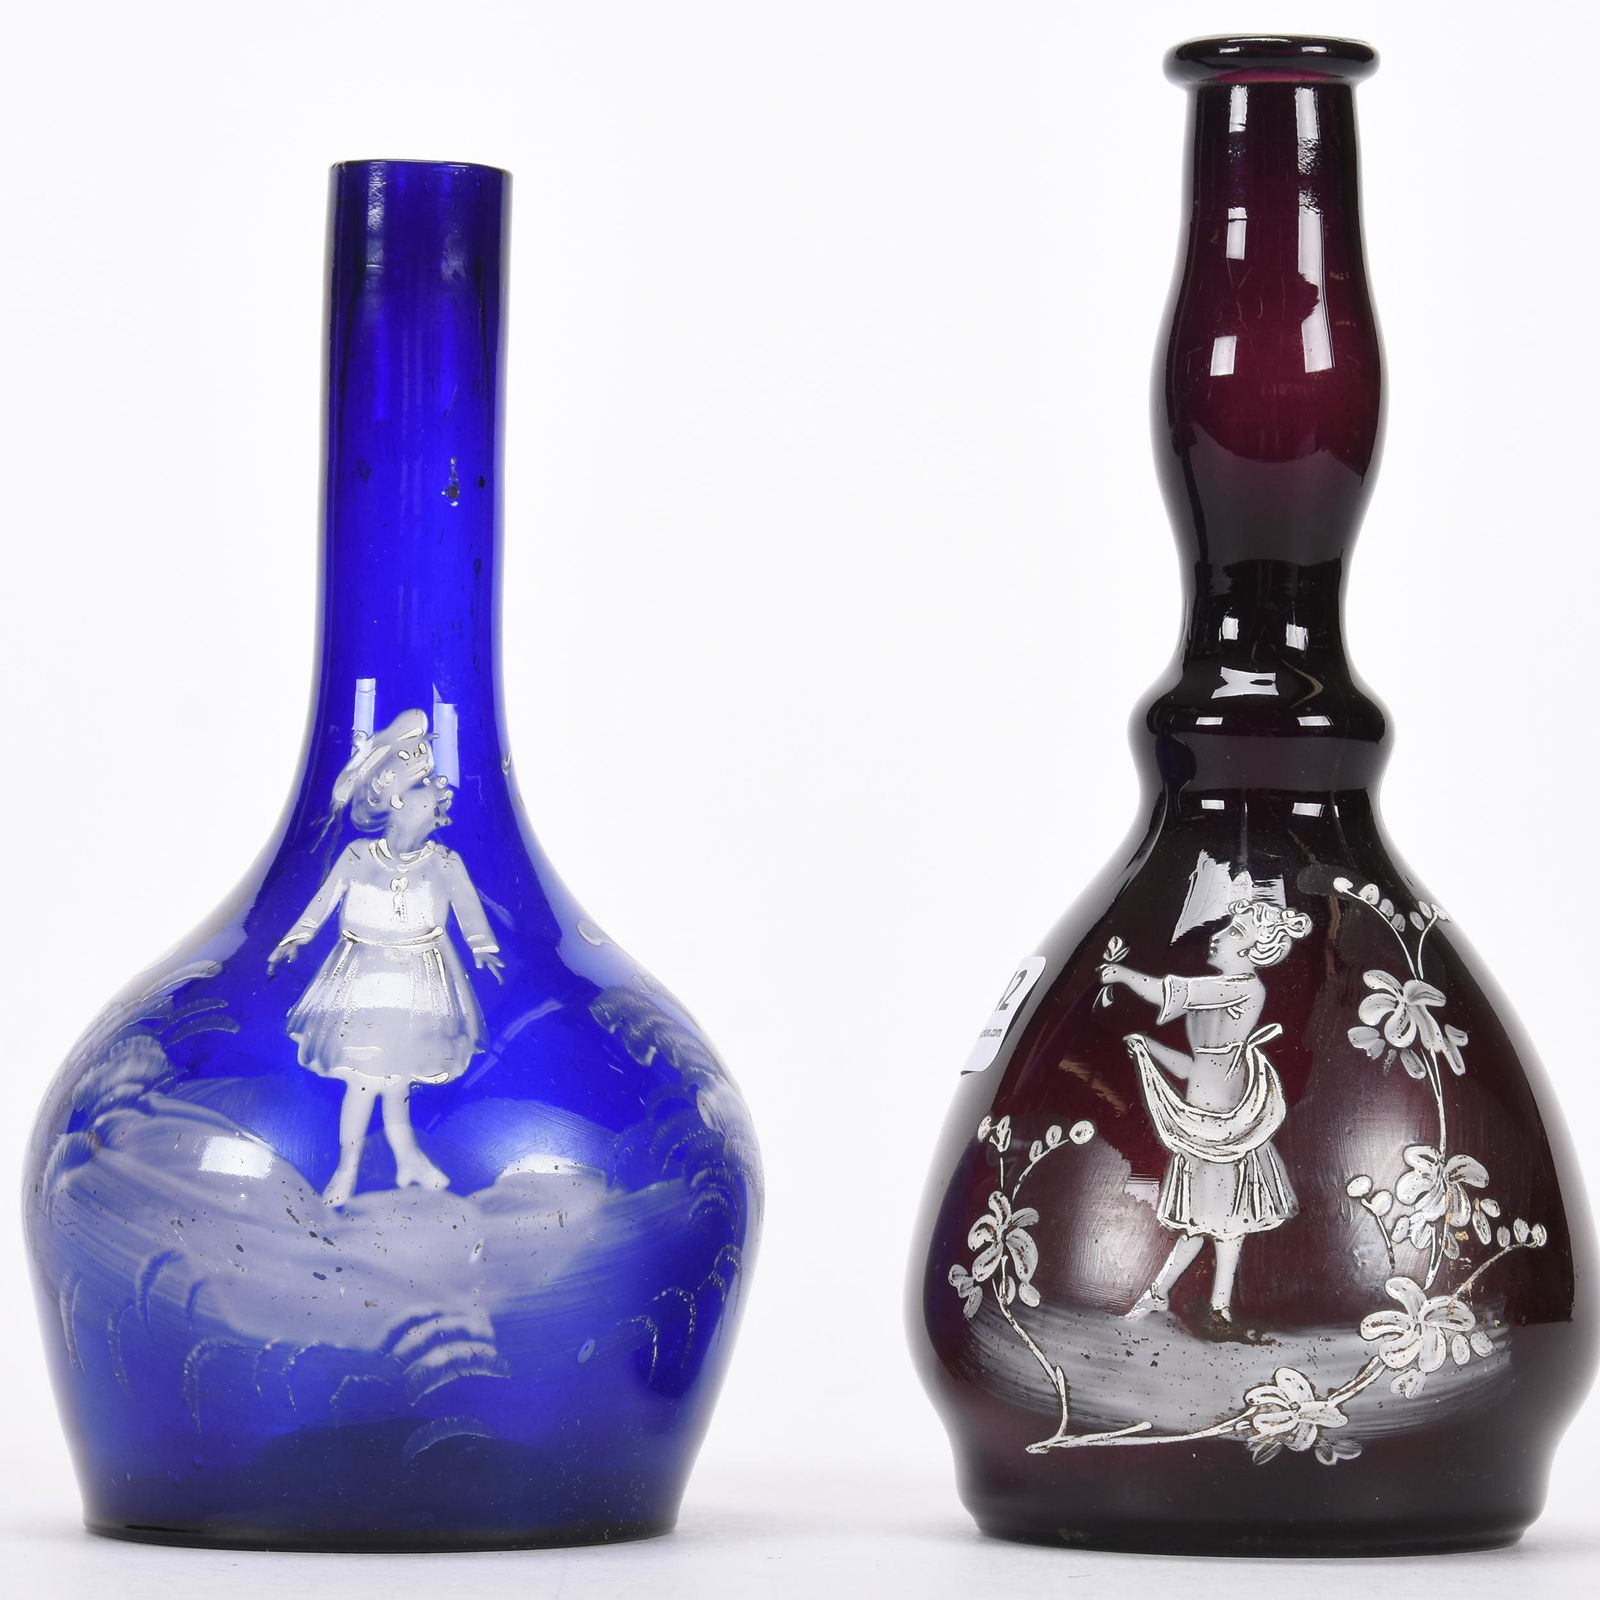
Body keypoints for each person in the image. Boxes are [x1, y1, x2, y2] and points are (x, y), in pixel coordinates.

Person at [269, 710, 504, 1206]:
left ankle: (406, 1157)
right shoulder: (358, 856)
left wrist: (483, 948)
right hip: (362, 981)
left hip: (419, 983)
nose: (439, 791)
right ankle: (347, 1171)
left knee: (397, 1079)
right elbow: (323, 900)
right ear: (397, 801)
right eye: (424, 786)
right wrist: (297, 936)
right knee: (364, 1081)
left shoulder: (444, 861)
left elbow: (468, 908)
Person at [1098, 896, 1311, 1340]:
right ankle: (1164, 1294)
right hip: (1199, 1125)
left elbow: (1171, 992)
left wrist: (1122, 974)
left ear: (1255, 950)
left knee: (1227, 1225)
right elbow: (1196, 1068)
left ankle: (1216, 1310)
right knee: (1201, 1224)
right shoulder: (1224, 997)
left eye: (1235, 932)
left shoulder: (1245, 989)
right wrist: (1149, 1048)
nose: (1218, 936)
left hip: (1226, 1131)